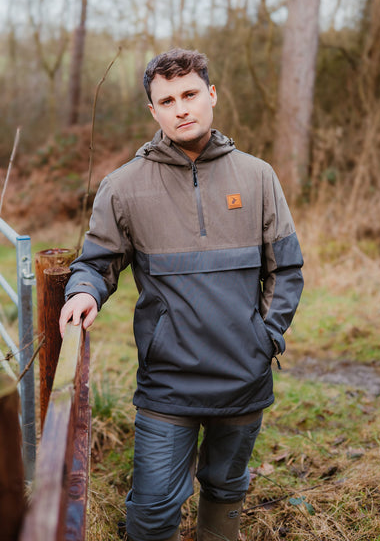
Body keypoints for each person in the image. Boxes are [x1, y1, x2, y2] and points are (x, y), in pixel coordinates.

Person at [59, 48, 304, 541]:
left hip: (243, 375)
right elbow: (96, 262)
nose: (181, 108)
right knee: (151, 508)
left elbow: (287, 268)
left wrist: (266, 339)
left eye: (190, 94)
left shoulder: (258, 177)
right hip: (167, 383)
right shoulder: (123, 186)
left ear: (211, 95)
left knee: (226, 485)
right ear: (153, 111)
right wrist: (84, 291)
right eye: (166, 100)